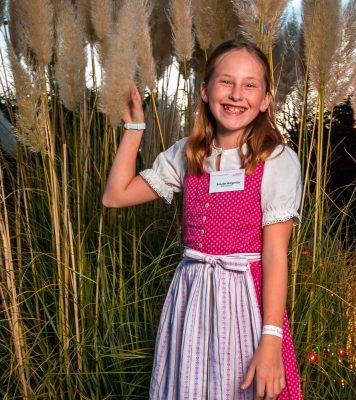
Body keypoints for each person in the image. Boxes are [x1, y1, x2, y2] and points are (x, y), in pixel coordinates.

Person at [102, 40, 303, 400]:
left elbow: (275, 254)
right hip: (192, 294)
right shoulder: (188, 153)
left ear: (265, 100)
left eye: (250, 85)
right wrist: (134, 129)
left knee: (239, 387)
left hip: (245, 298)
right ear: (206, 91)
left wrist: (271, 340)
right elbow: (115, 196)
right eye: (226, 82)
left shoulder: (276, 160)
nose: (236, 94)